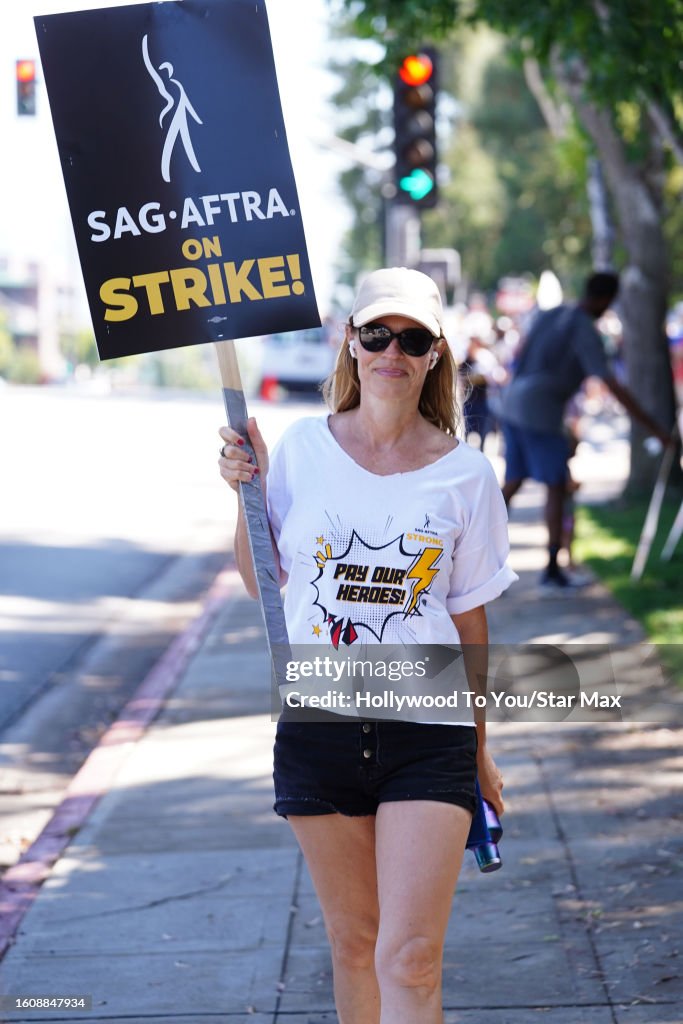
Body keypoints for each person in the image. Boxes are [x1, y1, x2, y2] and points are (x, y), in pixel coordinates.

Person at [218, 267, 517, 1024]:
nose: (392, 350)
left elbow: (470, 625)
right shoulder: (300, 449)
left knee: (409, 959)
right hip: (319, 721)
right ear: (350, 344)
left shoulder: (467, 476)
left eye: (411, 338)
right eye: (376, 333)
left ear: (434, 355)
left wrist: (479, 748)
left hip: (428, 731)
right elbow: (263, 584)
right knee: (355, 945)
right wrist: (245, 493)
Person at [499, 271, 671, 592]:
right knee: (556, 485)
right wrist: (654, 428)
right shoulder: (584, 330)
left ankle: (470, 555)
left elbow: (521, 353)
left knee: (514, 480)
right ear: (606, 300)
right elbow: (609, 382)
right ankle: (552, 570)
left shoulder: (553, 313)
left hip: (513, 400)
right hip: (540, 409)